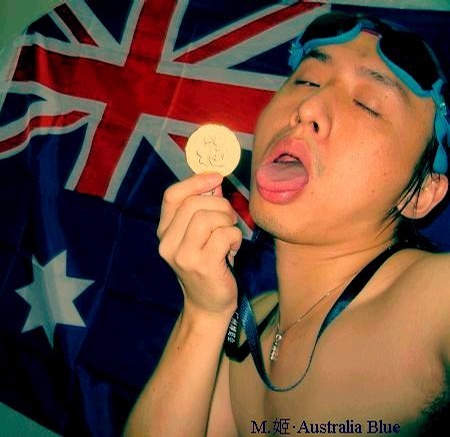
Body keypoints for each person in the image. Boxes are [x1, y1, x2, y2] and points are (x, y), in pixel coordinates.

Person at [124, 11, 450, 437]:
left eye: (368, 105)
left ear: (421, 193)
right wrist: (202, 312)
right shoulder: (252, 326)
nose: (307, 108)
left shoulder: (438, 299)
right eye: (307, 82)